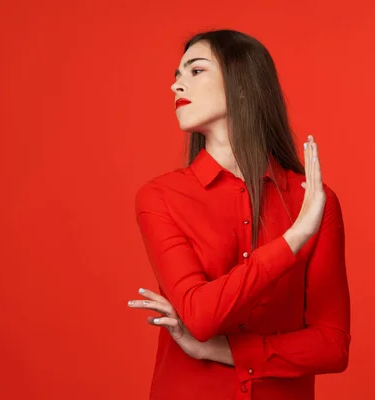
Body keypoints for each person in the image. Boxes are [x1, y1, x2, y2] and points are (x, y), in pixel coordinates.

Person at [129, 29, 351, 400]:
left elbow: (332, 345)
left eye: (195, 71)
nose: (176, 86)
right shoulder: (160, 197)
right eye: (176, 76)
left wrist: (220, 350)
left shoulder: (312, 200)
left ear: (243, 85)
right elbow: (200, 317)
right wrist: (293, 239)